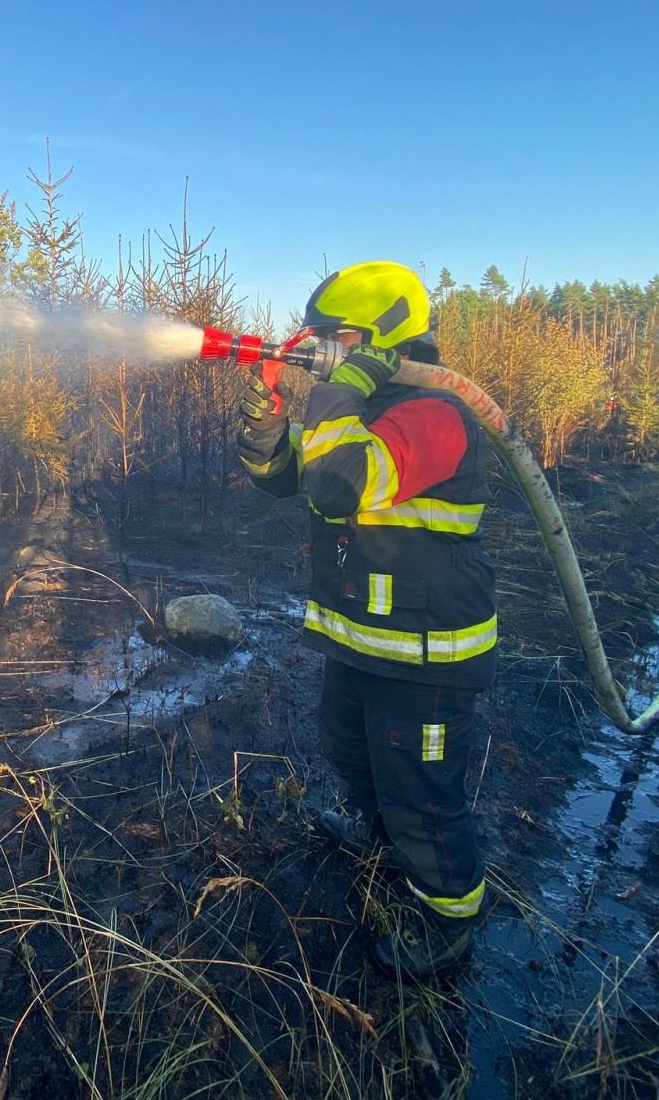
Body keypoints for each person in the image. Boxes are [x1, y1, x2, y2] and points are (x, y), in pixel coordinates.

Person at [235, 261, 497, 978]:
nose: (317, 348)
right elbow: (287, 479)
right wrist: (268, 424)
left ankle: (448, 925)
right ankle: (389, 857)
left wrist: (335, 391)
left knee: (420, 794)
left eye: (333, 337)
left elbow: (338, 480)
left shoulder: (435, 414)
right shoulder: (365, 411)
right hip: (363, 640)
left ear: (382, 338)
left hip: (427, 650)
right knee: (351, 754)